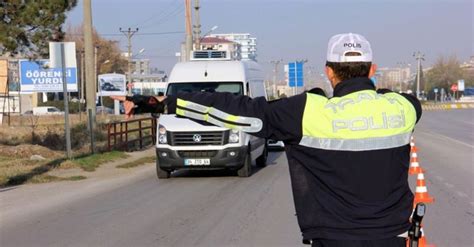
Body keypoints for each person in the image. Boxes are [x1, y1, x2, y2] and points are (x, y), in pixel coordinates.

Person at [112, 33, 422, 247]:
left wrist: (165, 102)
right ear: (373, 69)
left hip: (333, 237)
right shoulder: (404, 108)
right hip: (392, 235)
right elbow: (398, 98)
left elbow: (238, 111)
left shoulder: (306, 112)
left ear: (329, 72)